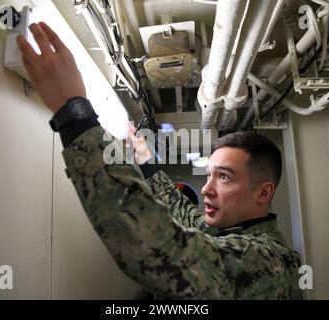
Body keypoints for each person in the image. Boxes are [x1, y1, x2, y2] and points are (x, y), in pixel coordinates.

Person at [17, 22, 303, 299]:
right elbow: (179, 209)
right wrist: (146, 161)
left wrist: (74, 113)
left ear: (264, 192)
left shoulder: (269, 263)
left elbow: (161, 250)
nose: (205, 190)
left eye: (224, 177)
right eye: (208, 176)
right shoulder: (221, 230)